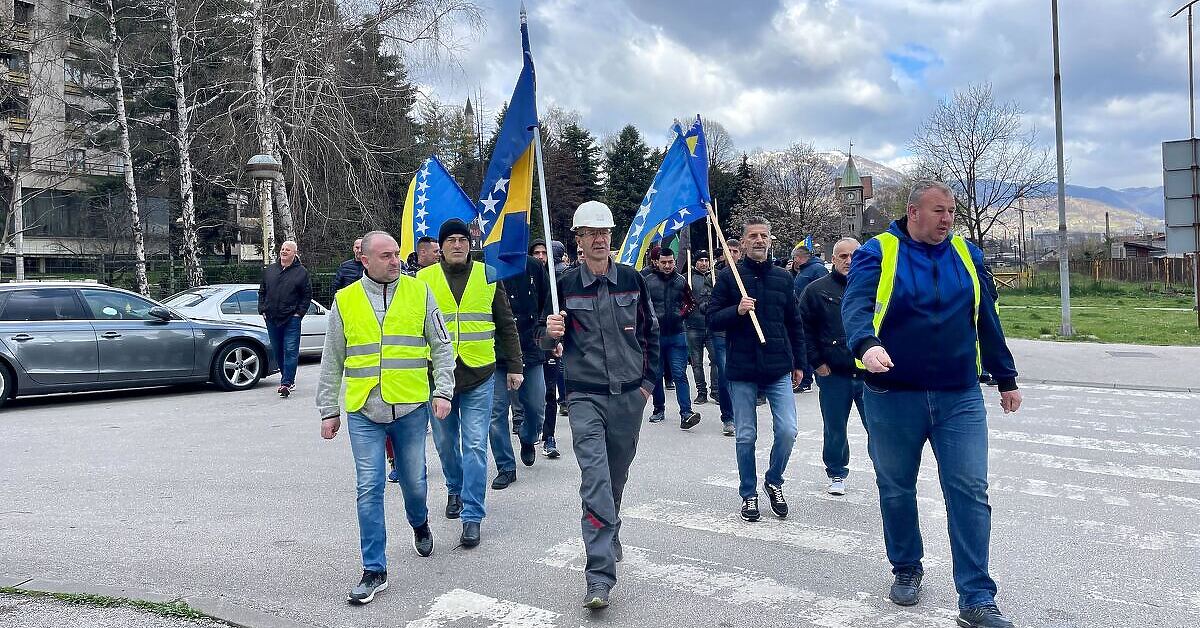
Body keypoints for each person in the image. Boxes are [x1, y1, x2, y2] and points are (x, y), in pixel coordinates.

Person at [842, 181, 1021, 628]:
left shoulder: (967, 254)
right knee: (897, 487)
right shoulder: (878, 252)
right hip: (891, 394)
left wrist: (1005, 377)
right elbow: (856, 306)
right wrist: (865, 344)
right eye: (939, 211)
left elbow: (986, 316)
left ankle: (977, 598)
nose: (947, 220)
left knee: (969, 490)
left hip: (958, 395)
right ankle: (906, 567)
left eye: (952, 212)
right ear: (913, 211)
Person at [316, 230, 455, 605]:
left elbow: (442, 346)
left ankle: (419, 521)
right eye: (386, 256)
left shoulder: (419, 292)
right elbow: (332, 359)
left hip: (410, 407)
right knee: (369, 487)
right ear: (365, 259)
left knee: (413, 481)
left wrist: (443, 390)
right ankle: (374, 569)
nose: (396, 261)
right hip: (364, 408)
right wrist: (328, 409)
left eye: (397, 254)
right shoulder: (344, 301)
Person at [543, 200, 659, 610]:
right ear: (578, 238)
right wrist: (549, 333)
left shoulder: (631, 279)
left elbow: (650, 335)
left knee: (615, 477)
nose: (599, 239)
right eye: (590, 233)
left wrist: (647, 385)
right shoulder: (563, 285)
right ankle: (599, 576)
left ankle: (611, 530)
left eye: (605, 232)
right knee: (595, 481)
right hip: (584, 396)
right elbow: (546, 345)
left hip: (629, 396)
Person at [418, 218, 523, 548]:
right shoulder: (423, 280)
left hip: (480, 373)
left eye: (463, 239)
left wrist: (515, 365)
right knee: (446, 444)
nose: (458, 245)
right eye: (450, 240)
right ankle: (455, 488)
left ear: (470, 244)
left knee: (475, 445)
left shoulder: (487, 275)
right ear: (441, 247)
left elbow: (506, 323)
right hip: (439, 378)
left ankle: (473, 516)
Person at [708, 217, 806, 523]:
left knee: (788, 430)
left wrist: (801, 364)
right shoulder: (729, 277)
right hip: (743, 367)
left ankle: (773, 480)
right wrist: (736, 311)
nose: (759, 240)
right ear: (744, 242)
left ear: (770, 240)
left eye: (764, 235)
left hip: (778, 364)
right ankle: (748, 493)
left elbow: (795, 323)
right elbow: (711, 318)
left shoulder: (783, 277)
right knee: (745, 435)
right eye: (753, 236)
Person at [798, 237, 866, 496]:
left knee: (880, 427)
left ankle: (888, 472)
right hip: (833, 372)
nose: (849, 261)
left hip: (870, 374)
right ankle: (836, 473)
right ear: (833, 259)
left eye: (854, 256)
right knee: (835, 427)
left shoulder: (875, 286)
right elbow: (804, 328)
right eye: (843, 256)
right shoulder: (816, 290)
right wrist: (816, 362)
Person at [488, 249, 551, 489]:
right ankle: (505, 466)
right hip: (496, 351)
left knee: (536, 404)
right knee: (496, 412)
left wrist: (545, 331)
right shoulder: (489, 266)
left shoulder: (534, 266)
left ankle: (528, 437)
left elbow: (548, 302)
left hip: (530, 348)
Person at [644, 248, 699, 429]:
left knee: (679, 374)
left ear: (674, 261)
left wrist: (681, 314)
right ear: (657, 262)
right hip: (655, 336)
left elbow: (691, 303)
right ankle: (658, 409)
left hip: (677, 335)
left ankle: (686, 413)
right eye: (664, 262)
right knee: (657, 374)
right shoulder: (648, 281)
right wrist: (648, 321)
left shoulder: (681, 281)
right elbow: (640, 306)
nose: (667, 266)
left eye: (670, 262)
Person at [258, 240, 312, 398]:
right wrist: (262, 309)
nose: (283, 251)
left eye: (288, 250)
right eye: (282, 249)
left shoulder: (301, 272)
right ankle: (286, 378)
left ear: (294, 253)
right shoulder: (270, 270)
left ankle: (287, 382)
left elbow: (307, 295)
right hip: (272, 318)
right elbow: (262, 291)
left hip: (291, 319)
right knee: (277, 350)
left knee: (290, 350)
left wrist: (299, 313)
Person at [791, 243, 829, 393]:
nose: (794, 261)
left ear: (800, 257)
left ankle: (806, 380)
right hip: (802, 313)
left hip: (813, 315)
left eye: (794, 258)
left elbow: (824, 291)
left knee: (808, 347)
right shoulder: (804, 270)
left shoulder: (817, 269)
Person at [685, 251, 716, 405]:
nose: (704, 263)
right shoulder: (687, 278)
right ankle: (701, 392)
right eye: (701, 260)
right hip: (693, 326)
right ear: (695, 262)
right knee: (696, 362)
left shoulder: (715, 277)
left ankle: (715, 390)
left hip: (712, 326)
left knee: (716, 360)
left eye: (706, 260)